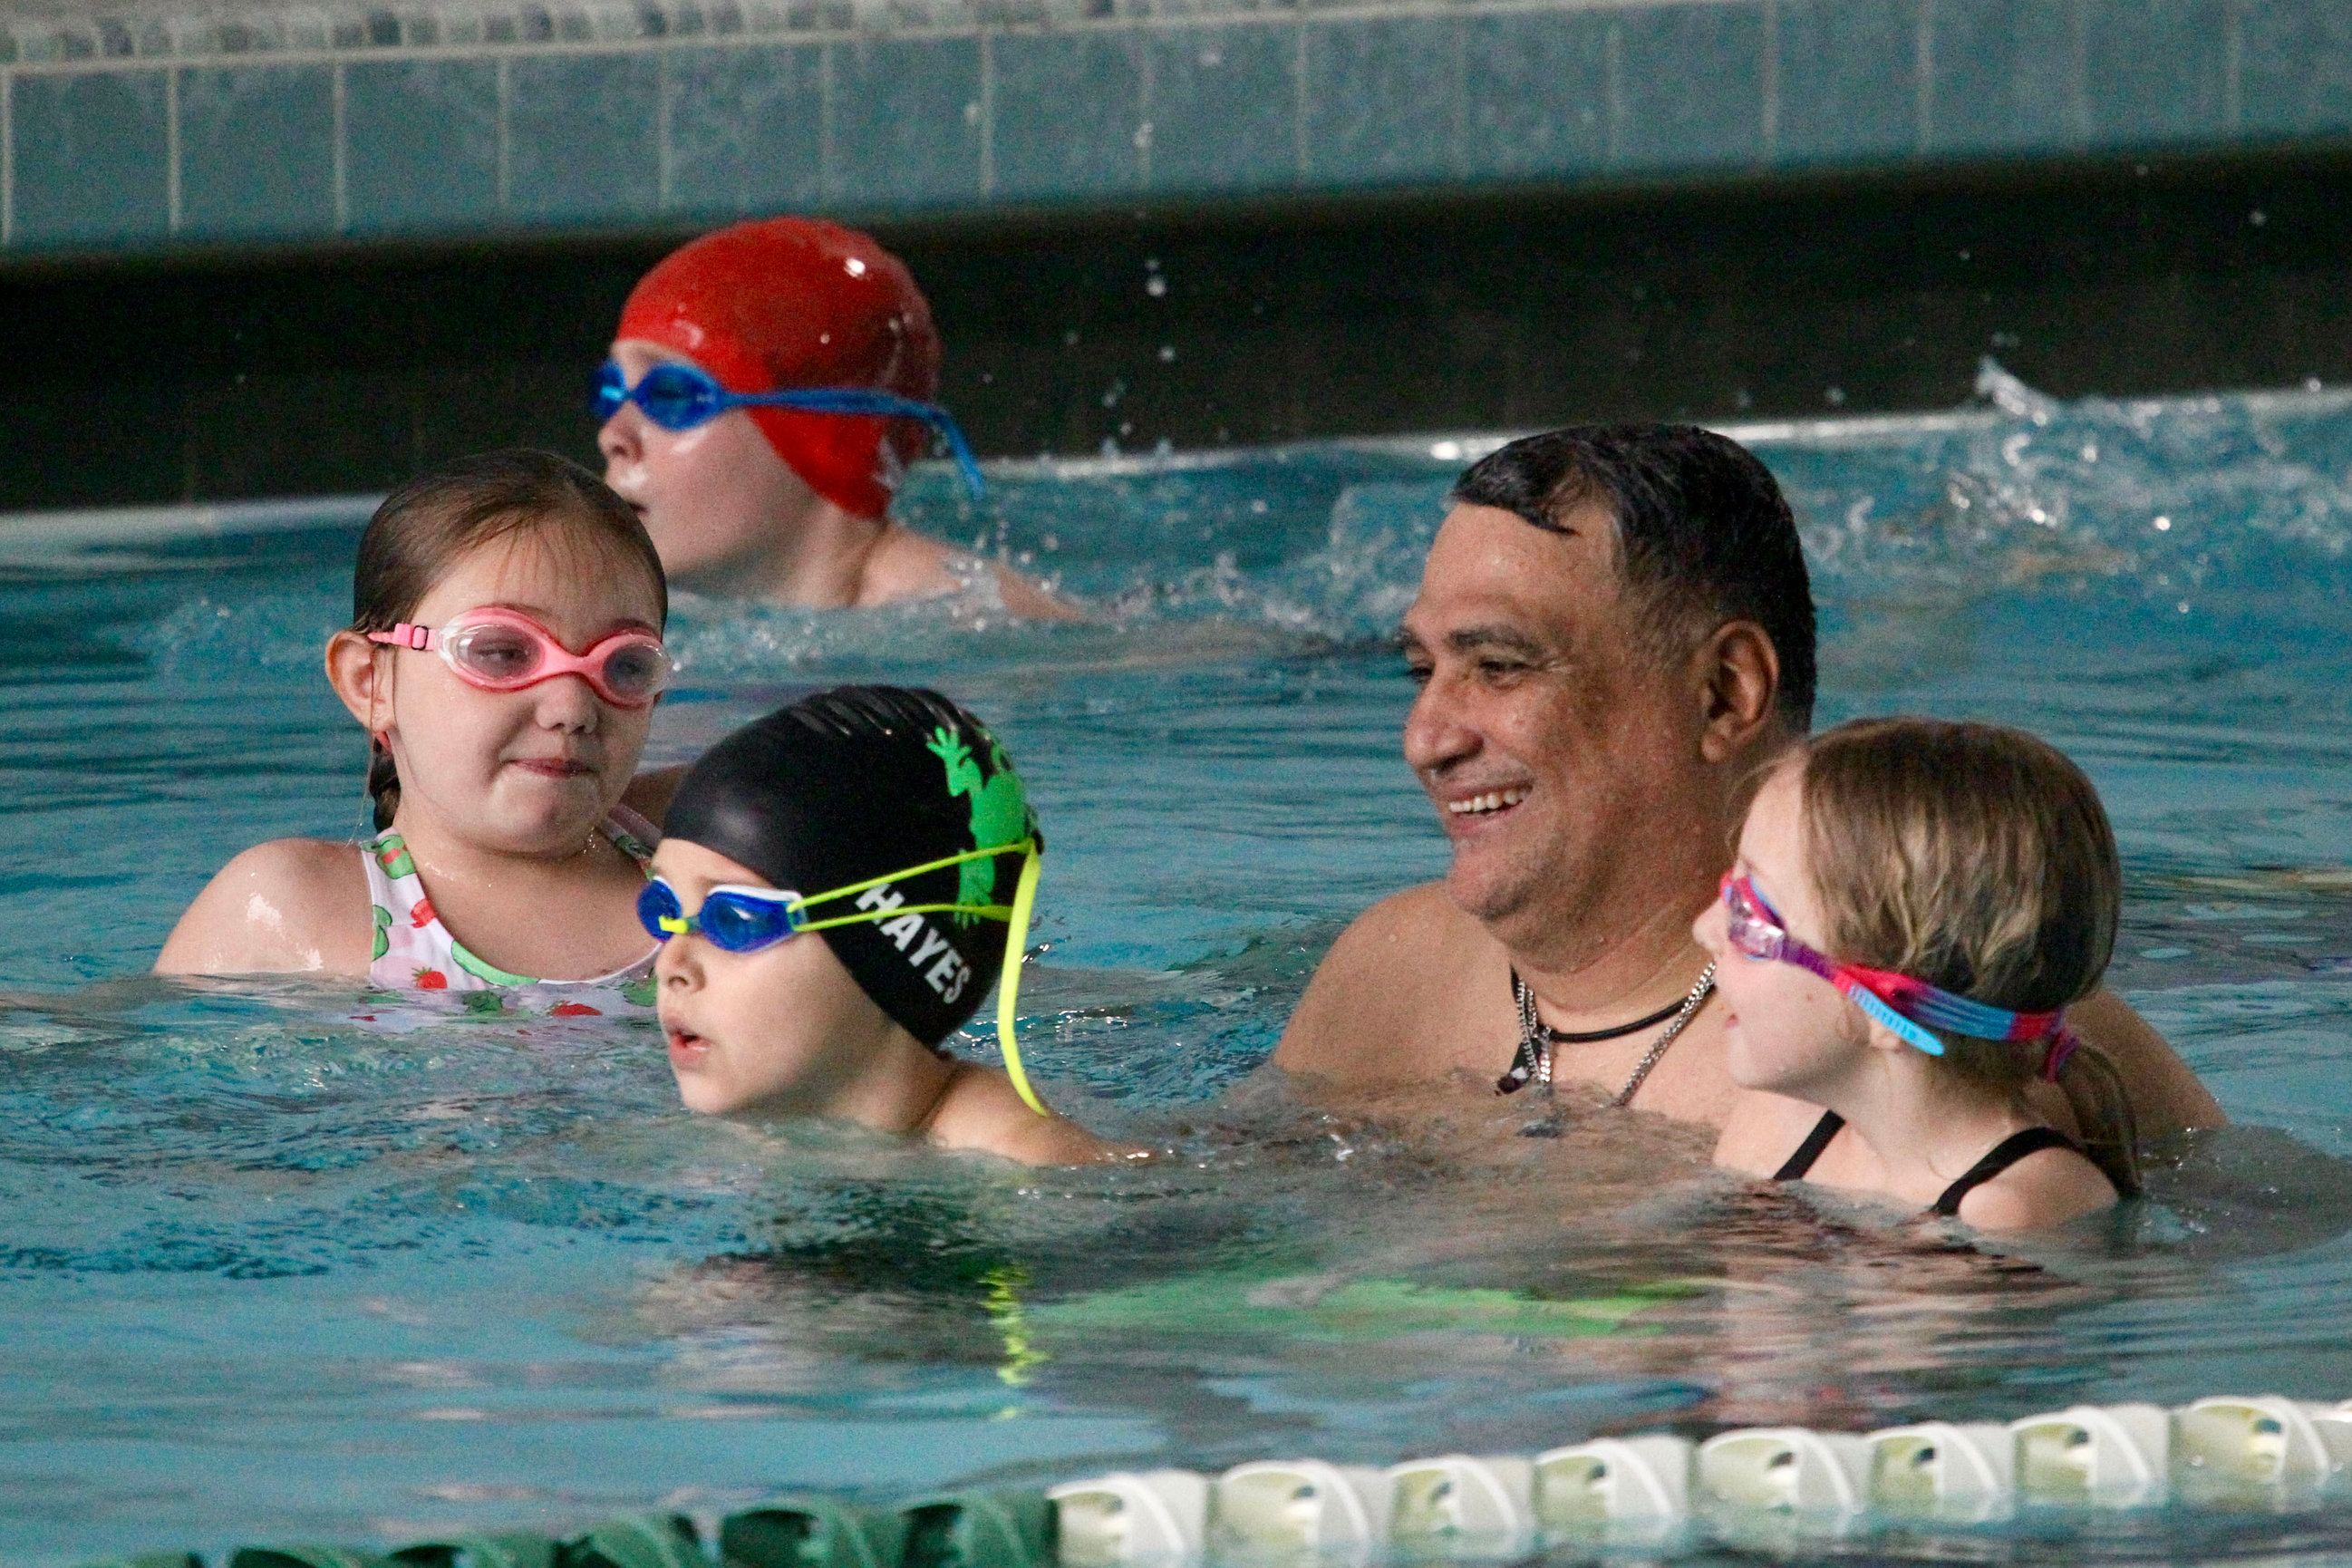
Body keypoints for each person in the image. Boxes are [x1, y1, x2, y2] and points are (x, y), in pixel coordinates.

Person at [1273, 424, 2222, 1148]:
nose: (1426, 737)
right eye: (1421, 669)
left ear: (1724, 693)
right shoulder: (1392, 973)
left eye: (1502, 665)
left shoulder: (1950, 1044)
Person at [156, 450, 673, 1008]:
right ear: (369, 682)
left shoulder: (699, 855)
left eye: (625, 666)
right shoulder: (294, 907)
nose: (571, 707)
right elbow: (117, 1060)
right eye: (500, 653)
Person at [644, 684, 1118, 1166]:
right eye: (660, 909)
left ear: (891, 938)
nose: (671, 965)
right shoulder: (760, 1126)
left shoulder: (1029, 1173)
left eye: (735, 918)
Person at [1699, 718, 2134, 1230]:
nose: (1705, 927)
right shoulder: (1772, 1129)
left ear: (1888, 1009)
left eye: (1749, 917)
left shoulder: (2008, 1213)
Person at [596, 217, 1072, 617]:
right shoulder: (623, 619)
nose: (612, 436)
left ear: (826, 436)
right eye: (612, 391)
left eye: (673, 395)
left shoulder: (975, 622)